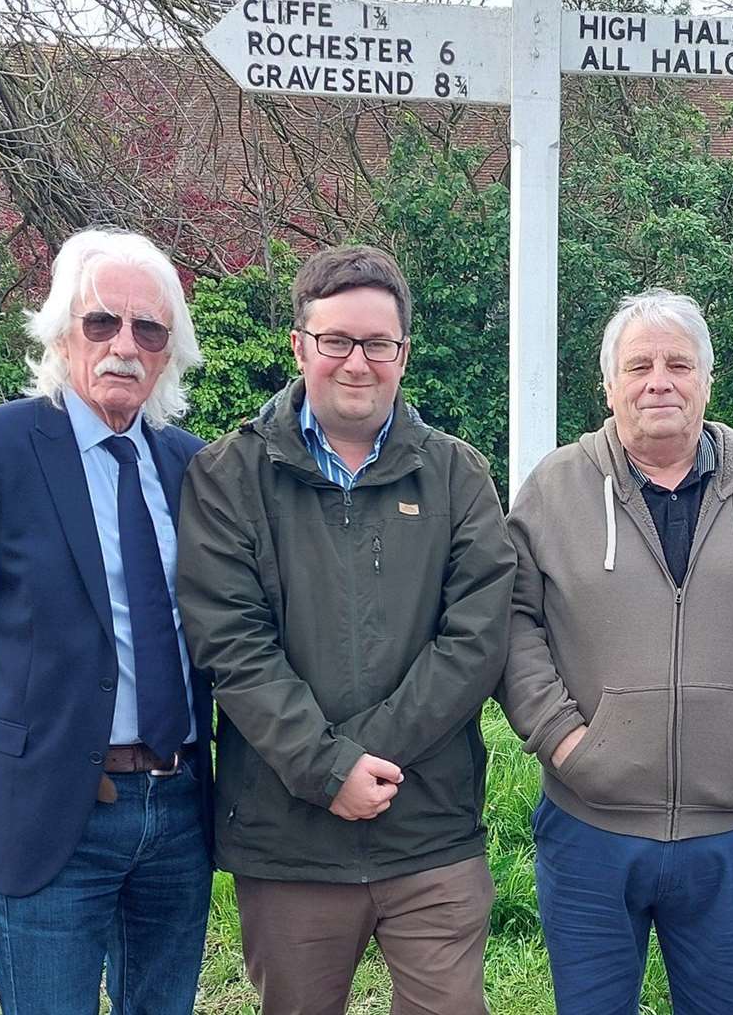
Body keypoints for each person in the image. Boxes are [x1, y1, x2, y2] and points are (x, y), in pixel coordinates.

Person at [175, 245, 514, 1015]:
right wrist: (328, 771)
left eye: (378, 344)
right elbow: (232, 644)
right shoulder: (228, 475)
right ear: (300, 345)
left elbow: (476, 639)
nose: (356, 362)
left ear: (404, 353)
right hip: (287, 839)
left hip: (428, 831)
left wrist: (366, 759)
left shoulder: (459, 476)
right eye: (336, 340)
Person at [496, 289, 733, 1015]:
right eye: (639, 366)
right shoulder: (554, 489)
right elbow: (510, 623)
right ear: (609, 386)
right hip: (588, 830)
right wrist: (565, 740)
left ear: (706, 380)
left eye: (678, 364)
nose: (659, 379)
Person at [0, 227, 213, 1014]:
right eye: (101, 322)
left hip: (177, 812)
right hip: (51, 812)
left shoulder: (192, 467)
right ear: (60, 331)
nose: (124, 346)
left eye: (149, 330)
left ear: (168, 350)